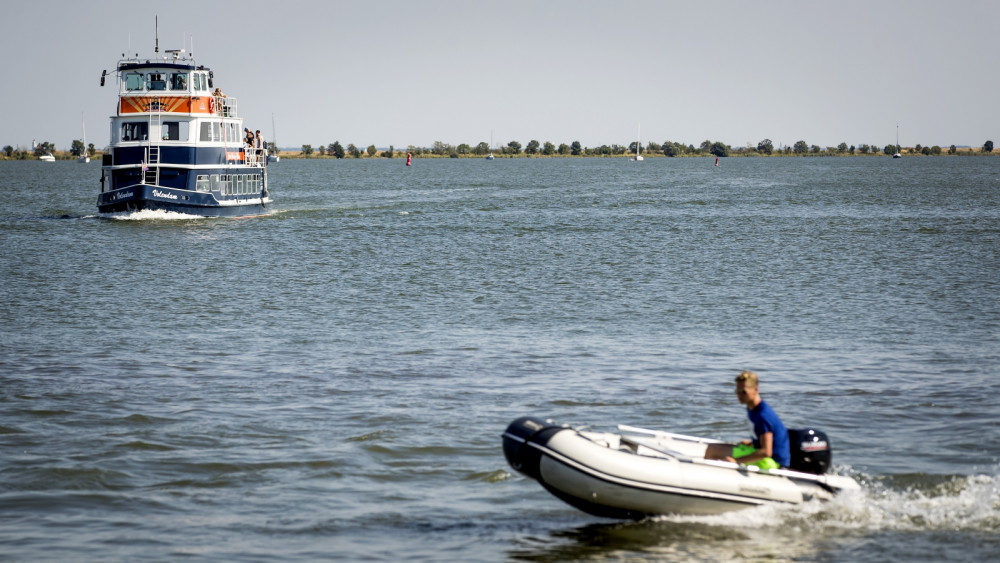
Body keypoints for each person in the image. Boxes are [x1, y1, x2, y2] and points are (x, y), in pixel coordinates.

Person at [704, 370, 790, 470]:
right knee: (714, 448)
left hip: (772, 462)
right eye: (737, 392)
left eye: (744, 392)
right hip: (764, 455)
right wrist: (751, 443)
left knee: (713, 450)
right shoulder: (752, 408)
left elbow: (767, 452)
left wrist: (736, 461)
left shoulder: (763, 415)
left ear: (755, 390)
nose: (739, 396)